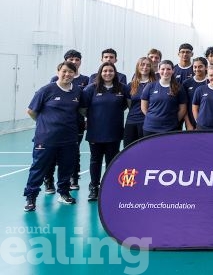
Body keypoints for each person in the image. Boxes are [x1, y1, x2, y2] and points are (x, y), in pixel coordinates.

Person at [24, 62, 82, 211]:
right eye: (64, 71)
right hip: (46, 139)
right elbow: (31, 111)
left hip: (69, 138)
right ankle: (31, 197)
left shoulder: (77, 91)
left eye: (71, 72)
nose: (67, 74)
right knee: (38, 168)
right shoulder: (46, 90)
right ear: (58, 71)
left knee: (66, 168)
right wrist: (45, 124)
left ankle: (64, 193)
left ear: (74, 74)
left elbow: (80, 111)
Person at [80, 62, 127, 201]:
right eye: (105, 71)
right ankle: (94, 187)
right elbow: (83, 109)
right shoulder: (91, 89)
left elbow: (124, 105)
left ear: (115, 73)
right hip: (96, 131)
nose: (108, 73)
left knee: (112, 160)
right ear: (100, 72)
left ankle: (110, 186)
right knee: (95, 160)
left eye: (111, 71)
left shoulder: (122, 88)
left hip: (114, 131)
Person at [45, 49, 90, 192]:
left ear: (80, 62)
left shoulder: (86, 80)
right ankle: (49, 180)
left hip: (76, 124)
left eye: (77, 60)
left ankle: (73, 178)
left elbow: (86, 103)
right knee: (52, 153)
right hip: (56, 126)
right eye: (71, 60)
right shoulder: (55, 80)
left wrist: (87, 118)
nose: (74, 62)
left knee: (74, 152)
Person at [141, 60, 187, 136]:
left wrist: (173, 121)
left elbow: (183, 109)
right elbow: (143, 107)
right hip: (150, 128)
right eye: (162, 69)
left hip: (170, 128)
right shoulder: (150, 86)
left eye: (168, 69)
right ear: (159, 70)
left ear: (173, 71)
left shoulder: (179, 88)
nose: (165, 71)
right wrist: (152, 118)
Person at [124, 57, 156, 147]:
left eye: (148, 65)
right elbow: (129, 104)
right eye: (142, 64)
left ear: (151, 68)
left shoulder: (155, 84)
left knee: (146, 150)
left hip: (148, 122)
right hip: (131, 121)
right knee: (129, 150)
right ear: (138, 67)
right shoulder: (131, 85)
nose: (145, 67)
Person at [182, 57, 208, 130]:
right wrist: (188, 124)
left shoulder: (210, 82)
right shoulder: (186, 83)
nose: (197, 69)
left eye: (200, 67)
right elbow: (184, 106)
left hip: (208, 123)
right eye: (195, 67)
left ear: (206, 67)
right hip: (191, 122)